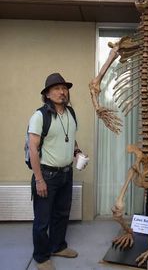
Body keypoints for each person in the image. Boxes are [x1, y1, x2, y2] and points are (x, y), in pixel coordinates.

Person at [29, 73, 82, 270]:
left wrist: (76, 151)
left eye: (64, 88)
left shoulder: (71, 113)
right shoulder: (40, 116)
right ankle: (41, 257)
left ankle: (58, 246)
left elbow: (69, 137)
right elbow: (33, 148)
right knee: (42, 220)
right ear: (48, 94)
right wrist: (39, 179)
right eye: (57, 89)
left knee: (61, 214)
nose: (62, 92)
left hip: (67, 174)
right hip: (47, 175)